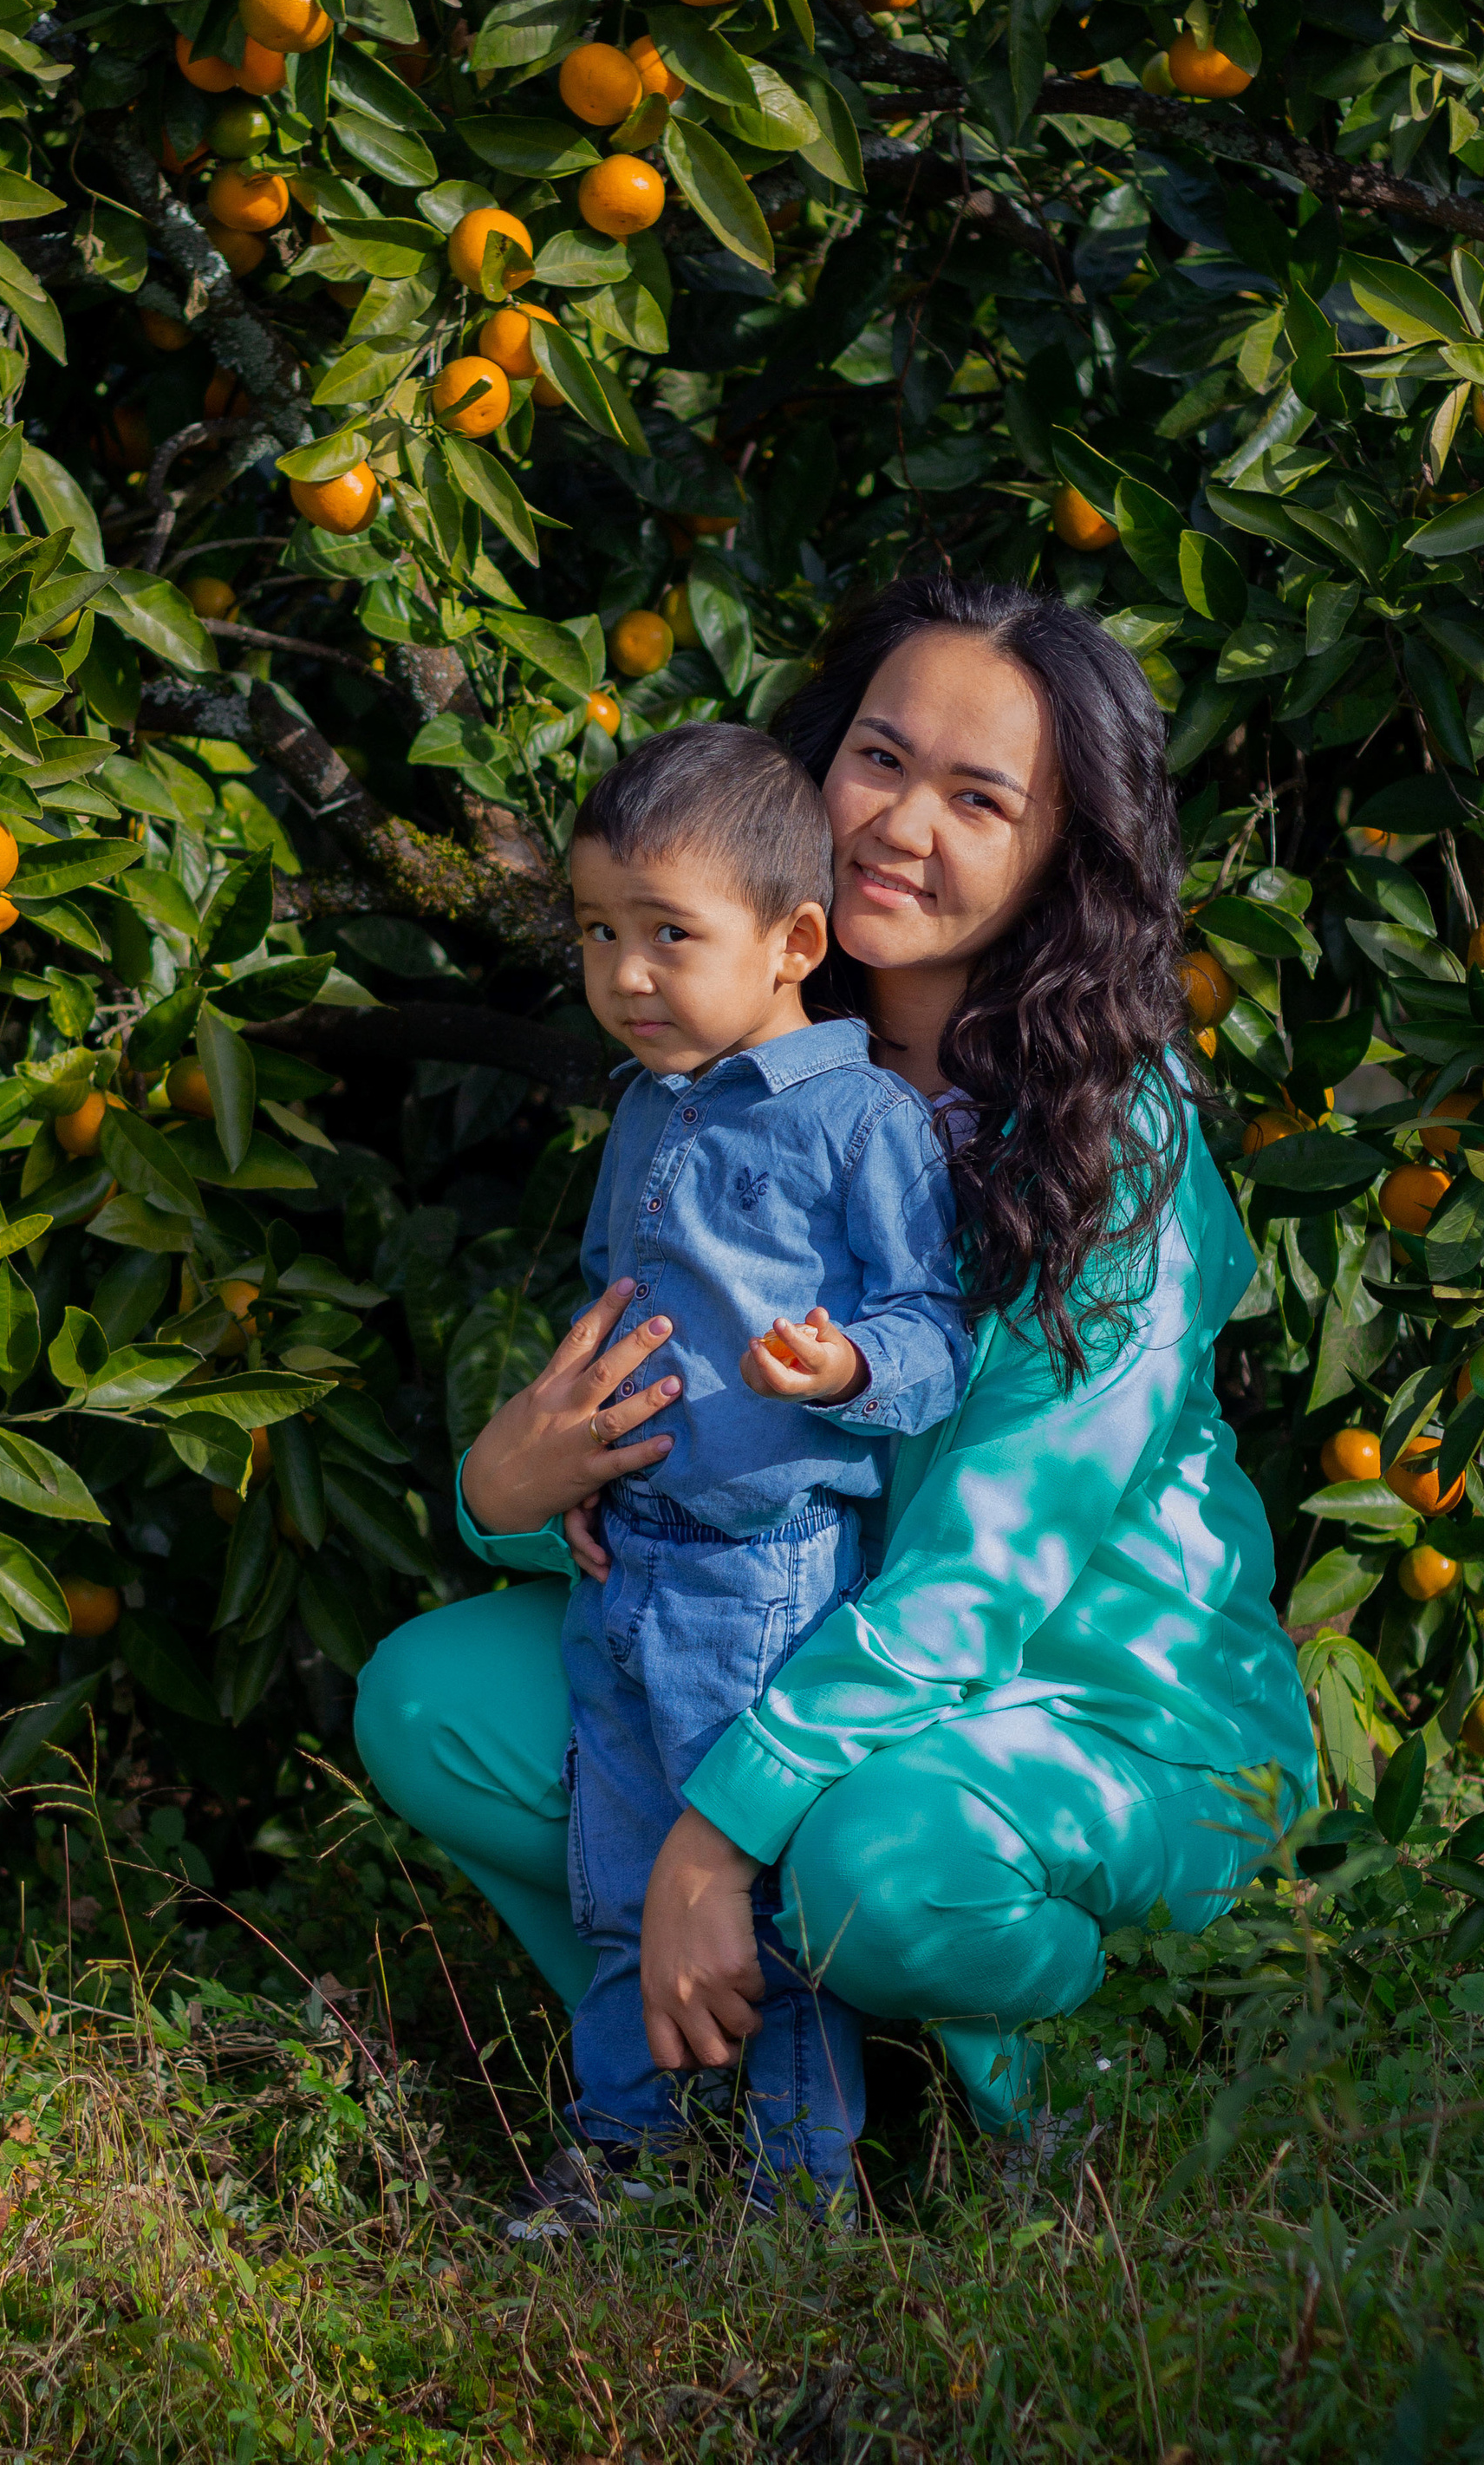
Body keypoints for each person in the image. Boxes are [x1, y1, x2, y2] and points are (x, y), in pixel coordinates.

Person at [354, 575, 1316, 2195]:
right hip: (790, 1658)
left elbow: (980, 1577)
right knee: (433, 1702)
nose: (900, 825)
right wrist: (510, 1498)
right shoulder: (738, 1069)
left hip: (1088, 1716)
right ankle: (704, 2079)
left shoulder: (1112, 1138)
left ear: (1060, 857)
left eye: (980, 798)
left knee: (879, 1864)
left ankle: (1074, 2117)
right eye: (879, 759)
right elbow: (692, 1455)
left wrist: (713, 1836)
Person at [495, 721, 969, 2225]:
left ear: (794, 943)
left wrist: (847, 1370)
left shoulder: (857, 1121)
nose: (626, 974)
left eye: (668, 936)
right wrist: (578, 1458)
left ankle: (798, 2195)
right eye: (600, 934)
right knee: (624, 1884)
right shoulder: (649, 1110)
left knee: (750, 1902)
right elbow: (609, 1308)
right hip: (629, 1554)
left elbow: (939, 1327)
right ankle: (626, 2157)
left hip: (766, 1574)